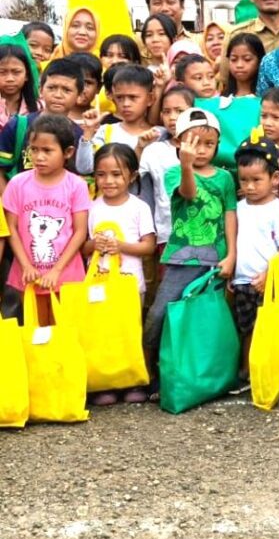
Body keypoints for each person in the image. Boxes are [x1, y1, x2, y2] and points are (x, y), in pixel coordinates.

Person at [142, 108, 237, 397]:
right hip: (181, 259)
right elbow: (188, 194)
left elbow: (230, 215)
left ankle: (206, 375)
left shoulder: (224, 178)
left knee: (204, 320)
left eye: (209, 144)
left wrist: (231, 254)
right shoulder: (174, 173)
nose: (201, 150)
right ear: (180, 142)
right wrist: (185, 166)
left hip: (215, 259)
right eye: (193, 143)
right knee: (161, 313)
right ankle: (149, 371)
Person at [84, 144, 156, 405]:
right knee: (104, 334)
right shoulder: (92, 207)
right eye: (101, 174)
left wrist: (121, 246)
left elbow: (148, 247)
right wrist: (96, 245)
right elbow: (83, 245)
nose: (108, 181)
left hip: (130, 284)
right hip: (99, 285)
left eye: (116, 174)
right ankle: (105, 384)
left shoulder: (139, 208)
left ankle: (132, 381)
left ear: (132, 176)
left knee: (129, 333)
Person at [1, 114, 90, 324]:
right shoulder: (17, 184)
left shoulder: (76, 185)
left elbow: (79, 232)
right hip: (29, 274)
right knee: (37, 331)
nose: (39, 157)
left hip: (67, 274)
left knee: (65, 331)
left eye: (47, 151)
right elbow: (11, 228)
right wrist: (26, 266)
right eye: (34, 149)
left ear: (68, 152)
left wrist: (57, 270)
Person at [230, 136, 279, 388]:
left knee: (266, 327)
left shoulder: (276, 209)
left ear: (275, 179)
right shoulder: (239, 207)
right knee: (245, 327)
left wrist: (269, 272)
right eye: (244, 180)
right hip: (242, 281)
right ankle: (246, 370)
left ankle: (265, 369)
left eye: (257, 180)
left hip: (267, 283)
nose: (249, 186)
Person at [0, 59, 91, 190]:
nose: (58, 95)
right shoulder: (19, 125)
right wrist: (8, 202)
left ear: (79, 95)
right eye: (52, 88)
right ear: (40, 89)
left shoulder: (78, 135)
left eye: (66, 90)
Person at [138, 85, 193, 252]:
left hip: (201, 231)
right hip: (167, 232)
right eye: (167, 112)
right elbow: (135, 181)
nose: (172, 117)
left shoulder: (204, 149)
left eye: (179, 111)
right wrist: (139, 148)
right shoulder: (154, 150)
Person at [88, 65, 162, 151]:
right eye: (119, 97)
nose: (125, 104)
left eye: (133, 97)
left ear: (150, 99)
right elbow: (88, 164)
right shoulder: (106, 132)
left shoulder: (160, 134)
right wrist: (88, 133)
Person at [0, 44, 37, 128]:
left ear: (26, 75)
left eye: (16, 72)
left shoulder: (40, 107)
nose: (10, 79)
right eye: (2, 72)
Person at [223, 33, 265, 98]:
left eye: (247, 59)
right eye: (234, 59)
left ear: (260, 60)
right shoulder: (222, 99)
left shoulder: (267, 98)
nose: (239, 65)